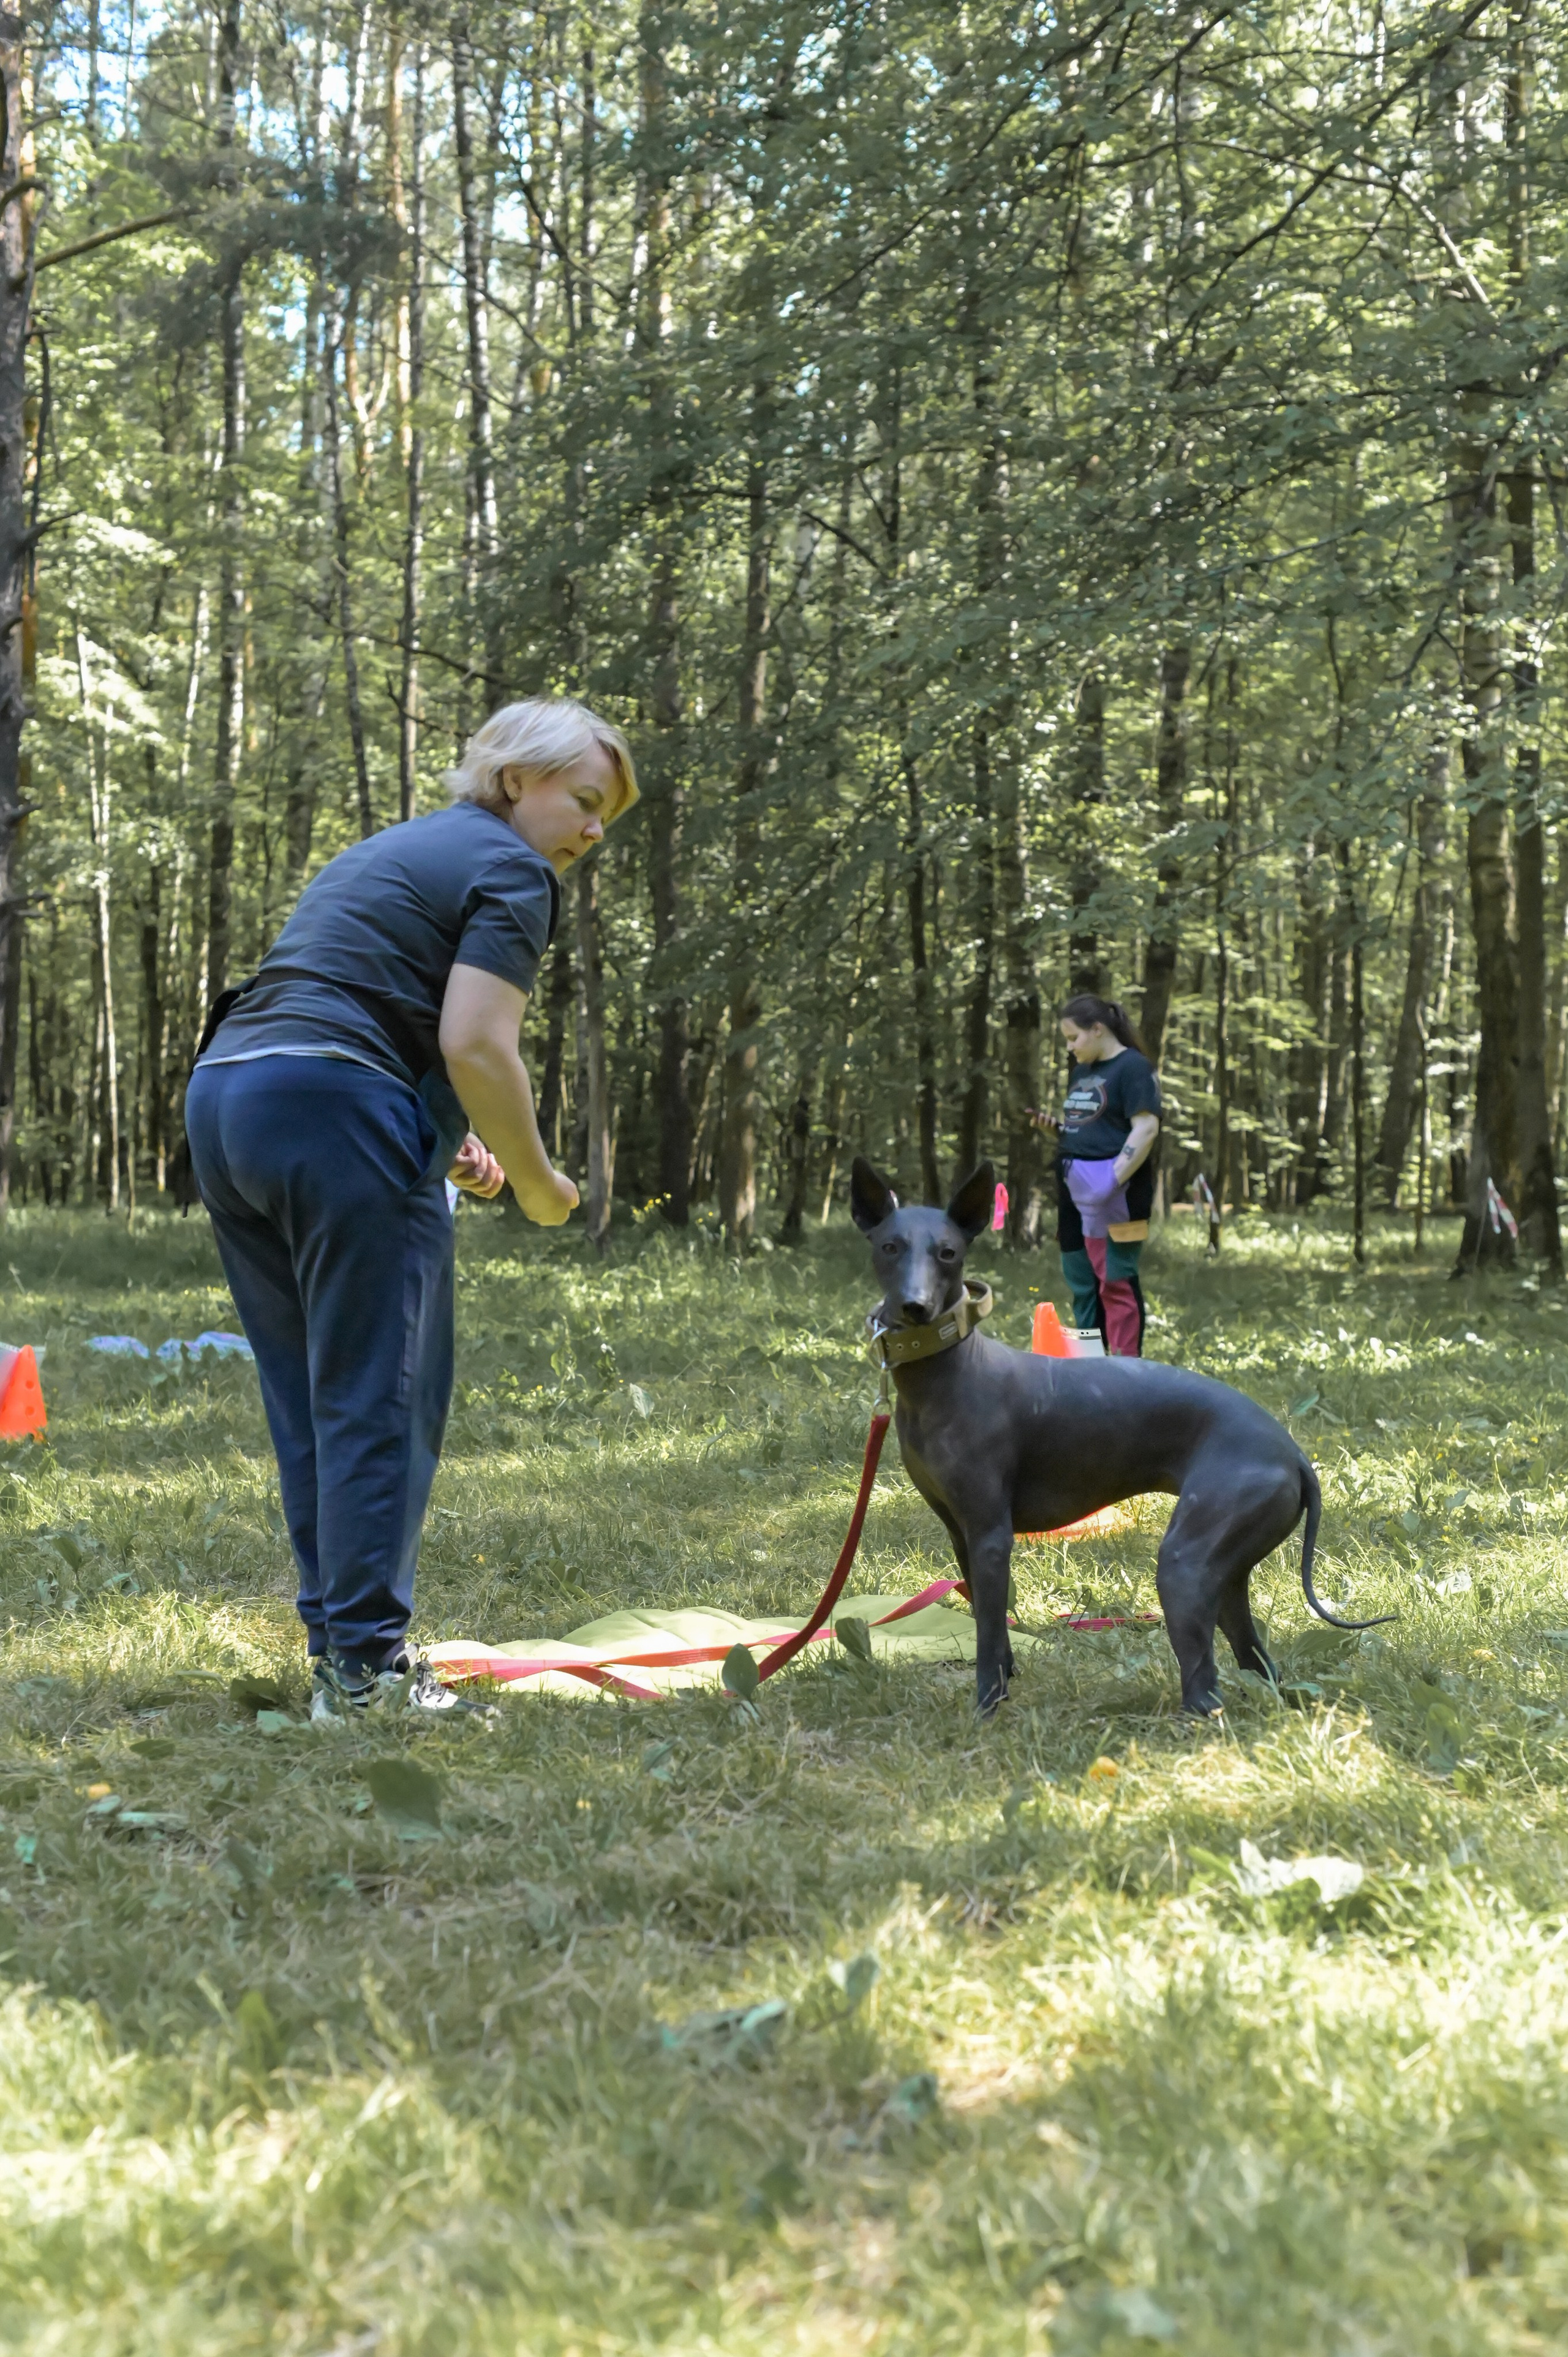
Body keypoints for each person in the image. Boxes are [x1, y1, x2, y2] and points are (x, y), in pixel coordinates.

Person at [183, 698, 638, 1720]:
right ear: (516, 779)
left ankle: (340, 1656)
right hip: (333, 1103)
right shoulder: (514, 869)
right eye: (585, 800)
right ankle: (367, 1672)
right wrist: (538, 1181)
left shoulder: (393, 849)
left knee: (311, 1393)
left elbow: (363, 995)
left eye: (607, 815)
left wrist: (439, 1137)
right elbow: (476, 1041)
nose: (594, 830)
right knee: (380, 1394)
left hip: (230, 1096)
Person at [1032, 993, 1162, 1356]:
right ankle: (1088, 1366)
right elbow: (1093, 1129)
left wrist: (1112, 1180)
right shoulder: (1082, 1071)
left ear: (1098, 1029)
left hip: (1117, 1193)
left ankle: (1126, 1369)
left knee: (1116, 1281)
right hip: (1073, 1189)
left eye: (1074, 1038)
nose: (1070, 1047)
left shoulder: (1134, 1068)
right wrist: (1057, 1132)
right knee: (1081, 1279)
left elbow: (1146, 1128)